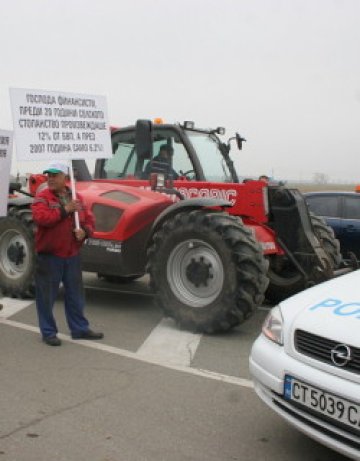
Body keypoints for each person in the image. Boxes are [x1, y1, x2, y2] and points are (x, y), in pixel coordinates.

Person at [31, 162, 104, 346]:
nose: (51, 178)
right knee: (46, 296)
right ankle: (48, 332)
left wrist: (85, 232)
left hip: (72, 254)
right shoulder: (42, 197)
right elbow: (42, 218)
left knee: (75, 295)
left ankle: (79, 329)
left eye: (55, 175)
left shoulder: (76, 198)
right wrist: (65, 210)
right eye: (49, 175)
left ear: (65, 177)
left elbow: (89, 219)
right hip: (49, 255)